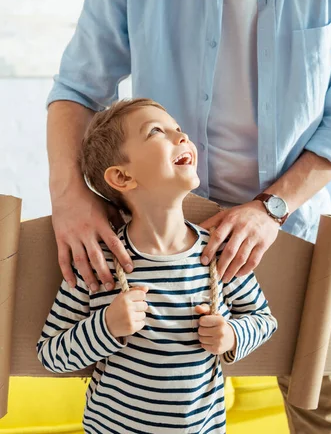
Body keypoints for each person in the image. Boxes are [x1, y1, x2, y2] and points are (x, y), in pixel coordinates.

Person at [46, 0, 331, 431]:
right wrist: (70, 198)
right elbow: (76, 90)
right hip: (159, 232)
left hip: (287, 228)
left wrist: (269, 208)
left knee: (320, 411)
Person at [37, 98, 277, 434]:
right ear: (122, 176)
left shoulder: (220, 255)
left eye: (178, 130)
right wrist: (106, 327)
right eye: (156, 132)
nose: (182, 137)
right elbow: (51, 354)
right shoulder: (98, 263)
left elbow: (264, 322)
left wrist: (232, 335)